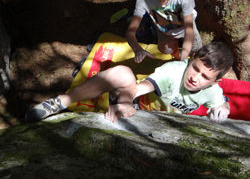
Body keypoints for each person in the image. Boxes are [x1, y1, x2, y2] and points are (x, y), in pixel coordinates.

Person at [25, 42, 233, 123]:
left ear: (216, 82)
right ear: (191, 59)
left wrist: (223, 109)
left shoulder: (213, 91)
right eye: (195, 67)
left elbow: (222, 102)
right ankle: (61, 101)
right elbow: (139, 88)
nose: (195, 77)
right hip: (134, 102)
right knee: (124, 74)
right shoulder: (174, 71)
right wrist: (124, 103)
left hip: (160, 122)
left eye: (205, 77)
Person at [126, 0, 202, 63]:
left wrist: (183, 61)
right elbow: (131, 32)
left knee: (196, 51)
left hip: (185, 26)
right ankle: (177, 55)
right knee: (165, 49)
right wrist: (137, 50)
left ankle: (190, 59)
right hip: (165, 30)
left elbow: (189, 31)